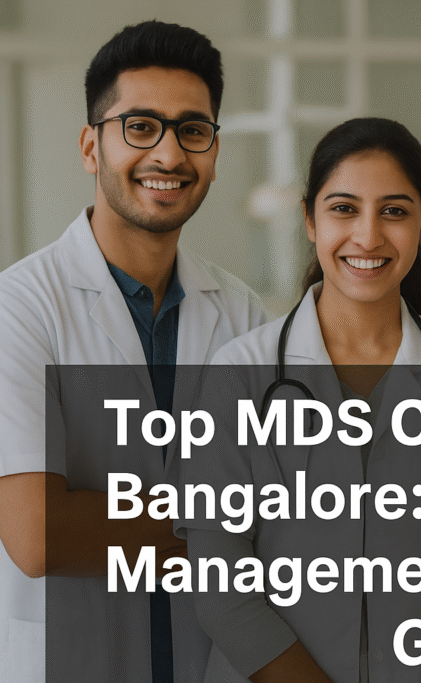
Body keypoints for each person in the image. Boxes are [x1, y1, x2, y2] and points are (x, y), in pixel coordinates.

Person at [177, 117, 421, 683]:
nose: (368, 237)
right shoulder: (239, 377)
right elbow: (220, 587)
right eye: (344, 209)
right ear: (308, 219)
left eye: (394, 211)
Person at [0, 20, 265, 682]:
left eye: (193, 130)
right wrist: (218, 517)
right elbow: (37, 535)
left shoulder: (243, 314)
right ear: (91, 147)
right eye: (140, 126)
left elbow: (283, 524)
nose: (170, 154)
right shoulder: (21, 308)